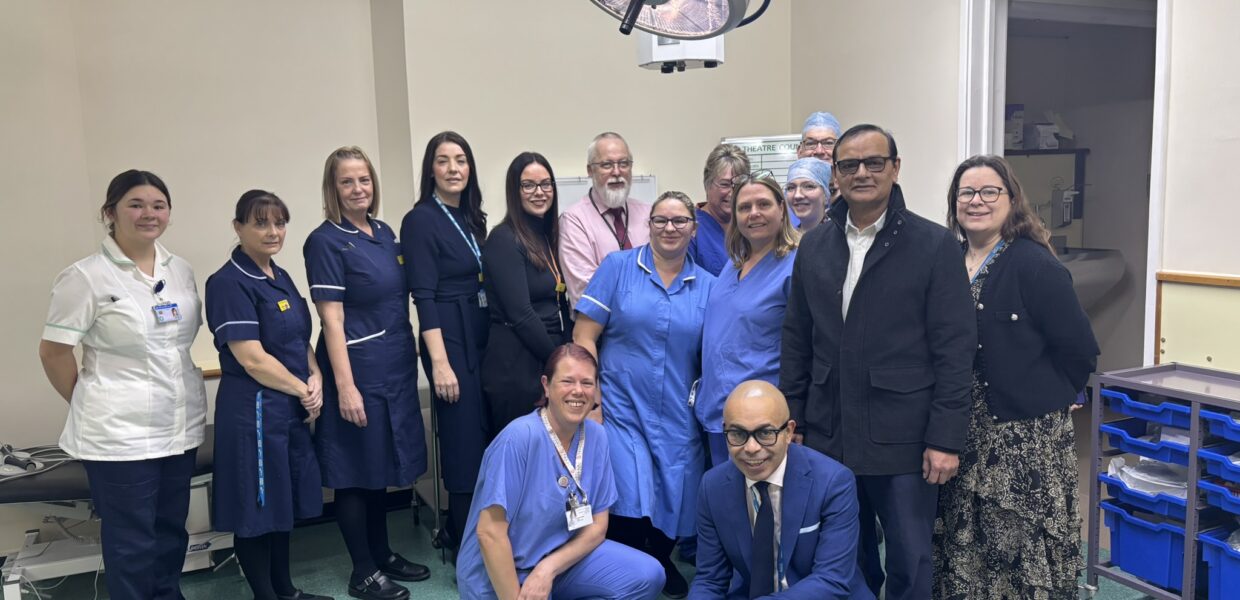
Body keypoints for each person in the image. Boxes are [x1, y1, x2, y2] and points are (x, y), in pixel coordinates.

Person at [779, 124, 976, 600]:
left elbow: (955, 350)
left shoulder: (934, 246)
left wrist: (945, 439)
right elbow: (797, 340)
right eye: (850, 165)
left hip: (904, 436)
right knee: (844, 555)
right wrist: (794, 417)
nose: (862, 172)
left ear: (895, 168)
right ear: (835, 174)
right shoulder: (815, 246)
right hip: (830, 431)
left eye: (874, 163)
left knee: (910, 559)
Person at [933, 155, 1099, 599]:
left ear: (1012, 200)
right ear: (954, 203)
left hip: (1024, 436)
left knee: (1019, 540)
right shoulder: (947, 258)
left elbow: (1080, 349)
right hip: (963, 425)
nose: (977, 201)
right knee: (967, 535)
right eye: (966, 193)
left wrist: (1054, 394)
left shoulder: (1034, 264)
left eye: (990, 192)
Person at [38, 169, 207, 599]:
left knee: (171, 533)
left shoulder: (180, 269)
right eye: (136, 204)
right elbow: (54, 352)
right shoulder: (85, 277)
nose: (148, 213)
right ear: (110, 212)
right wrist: (91, 401)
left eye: (158, 205)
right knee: (131, 543)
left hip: (178, 425)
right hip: (119, 436)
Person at [573, 191, 714, 598]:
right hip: (619, 407)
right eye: (661, 220)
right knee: (627, 489)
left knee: (676, 490)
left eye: (680, 221)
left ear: (694, 228)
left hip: (678, 413)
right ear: (648, 225)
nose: (670, 228)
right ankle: (633, 566)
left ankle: (660, 558)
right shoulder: (618, 268)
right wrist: (592, 403)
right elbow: (585, 335)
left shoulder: (708, 286)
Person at [305, 146, 429, 600]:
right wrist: (346, 388)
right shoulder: (325, 241)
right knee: (356, 472)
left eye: (365, 180)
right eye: (347, 182)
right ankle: (363, 572)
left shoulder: (382, 232)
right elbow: (331, 320)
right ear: (332, 189)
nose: (358, 189)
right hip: (355, 370)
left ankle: (382, 554)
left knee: (379, 466)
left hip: (393, 368)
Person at [456, 344, 666, 600]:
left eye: (587, 383)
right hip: (497, 576)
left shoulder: (597, 437)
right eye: (567, 381)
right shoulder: (519, 438)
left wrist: (548, 569)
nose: (578, 391)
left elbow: (598, 527)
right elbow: (489, 533)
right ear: (546, 385)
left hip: (558, 562)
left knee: (648, 574)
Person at [205, 190, 329, 600]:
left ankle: (286, 590)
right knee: (256, 507)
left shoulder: (279, 274)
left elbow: (298, 337)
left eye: (279, 222)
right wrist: (302, 390)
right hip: (253, 412)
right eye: (260, 222)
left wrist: (316, 377)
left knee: (282, 500)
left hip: (287, 407)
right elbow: (252, 359)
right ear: (238, 227)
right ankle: (266, 595)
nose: (273, 231)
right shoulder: (228, 283)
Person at [691, 381, 872, 600]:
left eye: (765, 433)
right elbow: (710, 580)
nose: (751, 448)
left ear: (789, 432)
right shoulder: (713, 486)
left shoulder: (834, 482)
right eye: (737, 434)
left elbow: (831, 580)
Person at [400, 131, 490, 556]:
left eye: (461, 160)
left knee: (486, 435)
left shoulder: (475, 218)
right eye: (443, 160)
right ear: (430, 170)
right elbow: (424, 295)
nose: (453, 169)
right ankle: (462, 541)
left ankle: (491, 532)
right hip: (448, 336)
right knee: (462, 440)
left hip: (480, 328)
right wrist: (439, 363)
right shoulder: (419, 220)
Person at [699, 173, 799, 467]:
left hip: (761, 419)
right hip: (719, 410)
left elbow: (807, 344)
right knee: (728, 504)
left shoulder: (796, 264)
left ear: (782, 209)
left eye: (763, 204)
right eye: (744, 207)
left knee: (763, 506)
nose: (753, 213)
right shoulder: (734, 264)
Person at [480, 152, 573, 435]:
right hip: (516, 367)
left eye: (546, 184)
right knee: (522, 460)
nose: (539, 192)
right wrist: (561, 361)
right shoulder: (504, 239)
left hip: (546, 360)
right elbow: (520, 314)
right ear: (514, 190)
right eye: (529, 185)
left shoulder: (549, 237)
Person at [559, 132, 652, 307]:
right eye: (606, 165)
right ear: (589, 170)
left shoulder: (648, 214)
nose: (617, 172)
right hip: (600, 330)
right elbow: (587, 292)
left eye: (624, 163)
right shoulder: (574, 220)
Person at [688, 143, 751, 276]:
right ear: (707, 184)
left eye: (739, 184)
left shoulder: (751, 224)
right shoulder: (691, 227)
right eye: (724, 184)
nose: (732, 192)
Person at [784, 158, 833, 234]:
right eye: (791, 187)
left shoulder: (840, 238)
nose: (797, 195)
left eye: (809, 186)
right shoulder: (785, 239)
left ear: (826, 195)